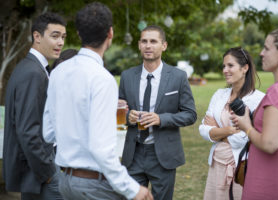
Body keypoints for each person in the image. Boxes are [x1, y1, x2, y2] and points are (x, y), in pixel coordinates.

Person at [42, 3, 153, 200]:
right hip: (93, 185)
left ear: (78, 33)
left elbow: (48, 133)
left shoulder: (58, 72)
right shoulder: (102, 79)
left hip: (65, 181)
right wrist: (133, 189)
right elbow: (101, 149)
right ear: (110, 33)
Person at [119, 25, 197, 200]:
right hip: (133, 153)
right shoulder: (127, 76)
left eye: (153, 41)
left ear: (164, 45)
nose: (148, 45)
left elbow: (190, 114)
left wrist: (160, 119)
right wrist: (128, 116)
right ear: (139, 45)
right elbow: (117, 112)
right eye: (144, 41)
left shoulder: (178, 76)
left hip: (163, 155)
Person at [3, 12, 66, 200]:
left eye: (63, 37)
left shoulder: (31, 67)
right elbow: (27, 130)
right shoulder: (32, 72)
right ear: (37, 36)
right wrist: (47, 172)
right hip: (39, 173)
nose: (61, 42)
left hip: (36, 173)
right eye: (55, 36)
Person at [231, 27, 278, 199]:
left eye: (267, 48)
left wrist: (247, 127)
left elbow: (270, 144)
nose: (261, 53)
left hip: (269, 186)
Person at [199, 47, 265, 200]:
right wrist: (229, 130)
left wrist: (217, 131)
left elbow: (242, 140)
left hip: (240, 169)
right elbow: (203, 129)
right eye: (223, 66)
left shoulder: (259, 100)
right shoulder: (219, 95)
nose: (225, 70)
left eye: (230, 65)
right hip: (216, 164)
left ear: (245, 68)